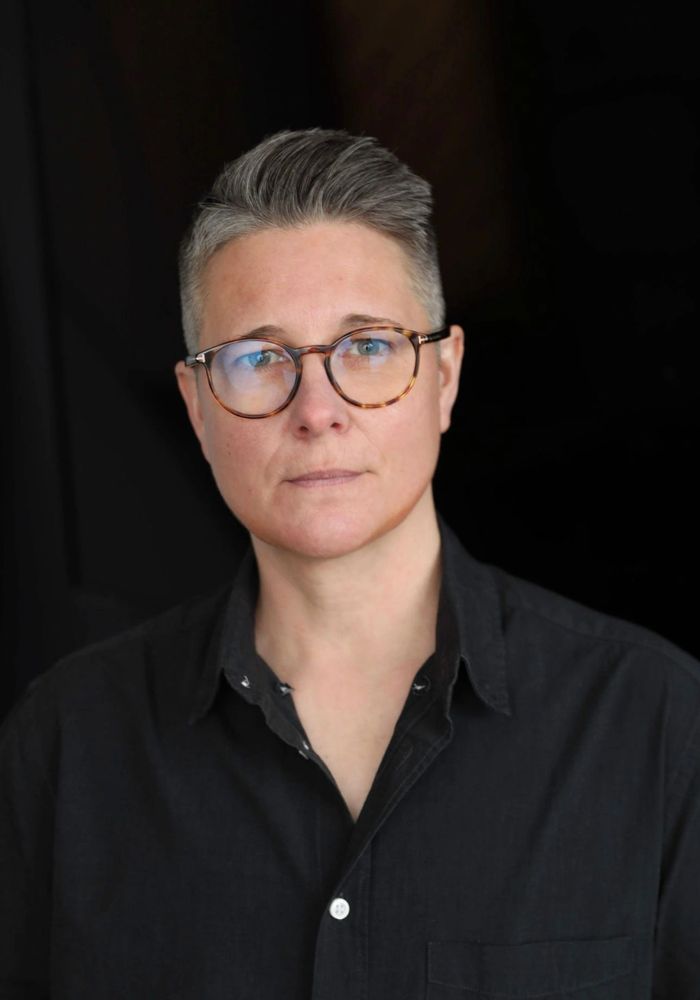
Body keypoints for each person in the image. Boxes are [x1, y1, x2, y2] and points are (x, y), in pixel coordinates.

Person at [1, 128, 698, 999]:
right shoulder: (64, 747)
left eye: (367, 347)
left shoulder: (660, 728)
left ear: (444, 378)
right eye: (260, 360)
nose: (317, 410)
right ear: (195, 406)